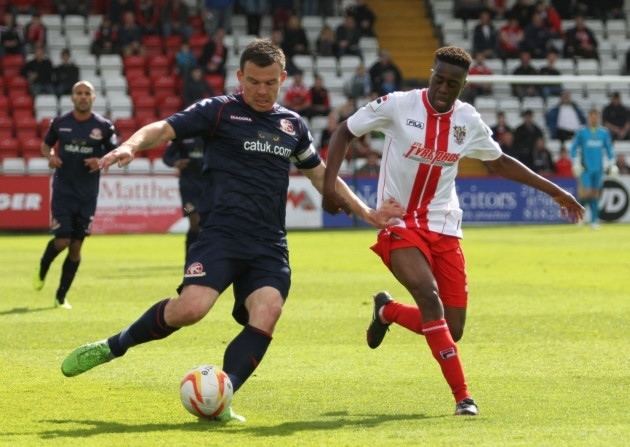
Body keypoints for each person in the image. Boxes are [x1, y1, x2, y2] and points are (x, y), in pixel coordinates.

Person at [59, 40, 403, 422]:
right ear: (239, 76)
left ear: (282, 80)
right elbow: (163, 128)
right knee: (191, 309)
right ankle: (113, 346)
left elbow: (321, 174)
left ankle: (222, 396)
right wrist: (131, 145)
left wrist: (367, 211)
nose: (261, 90)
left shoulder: (292, 125)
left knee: (267, 310)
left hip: (269, 243)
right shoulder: (219, 111)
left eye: (270, 83)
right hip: (221, 235)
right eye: (253, 81)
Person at [322, 46, 584, 417]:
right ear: (431, 74)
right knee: (430, 298)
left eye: (454, 83)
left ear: (464, 85)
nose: (444, 88)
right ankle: (464, 397)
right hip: (399, 222)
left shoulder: (468, 120)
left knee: (452, 326)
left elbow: (499, 163)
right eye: (439, 79)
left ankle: (388, 312)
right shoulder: (398, 105)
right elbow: (343, 133)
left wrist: (556, 190)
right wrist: (331, 188)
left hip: (444, 225)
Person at [33, 81, 118, 309]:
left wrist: (99, 161)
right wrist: (50, 155)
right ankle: (43, 265)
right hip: (63, 191)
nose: (82, 97)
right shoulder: (61, 123)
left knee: (76, 248)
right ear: (72, 97)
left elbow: (114, 152)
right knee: (62, 240)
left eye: (87, 93)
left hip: (87, 194)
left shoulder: (104, 126)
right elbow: (46, 145)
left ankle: (60, 296)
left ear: (93, 97)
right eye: (78, 93)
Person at [570, 109, 616, 228]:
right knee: (586, 193)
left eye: (596, 117)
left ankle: (594, 220)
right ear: (588, 118)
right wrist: (575, 162)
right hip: (586, 168)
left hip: (599, 169)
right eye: (591, 116)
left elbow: (609, 149)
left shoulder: (603, 133)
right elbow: (573, 148)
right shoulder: (582, 132)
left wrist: (611, 163)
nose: (594, 119)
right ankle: (580, 217)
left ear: (598, 118)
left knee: (595, 194)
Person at [162, 136, 205, 255]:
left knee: (204, 223)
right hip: (187, 188)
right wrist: (176, 162)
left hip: (207, 186)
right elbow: (166, 157)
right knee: (194, 219)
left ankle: (200, 256)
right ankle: (190, 255)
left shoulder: (209, 133)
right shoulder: (182, 136)